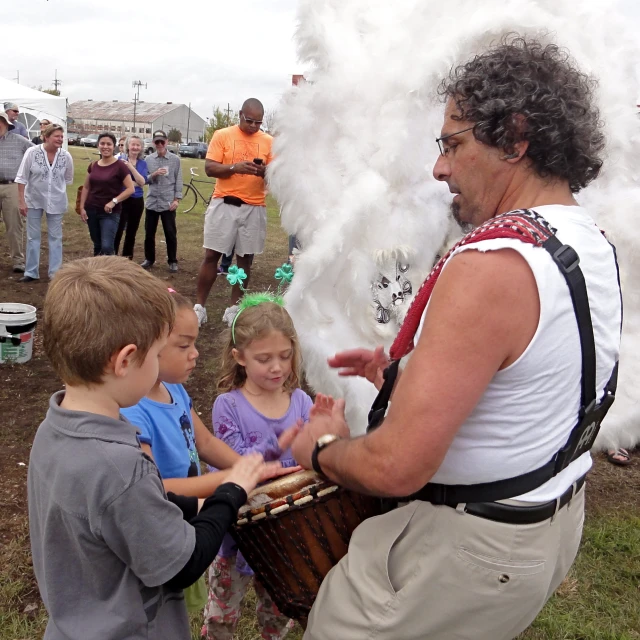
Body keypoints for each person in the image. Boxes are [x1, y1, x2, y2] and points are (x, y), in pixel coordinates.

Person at [285, 37, 622, 640]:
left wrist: (320, 449)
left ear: (516, 139)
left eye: (453, 143)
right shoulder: (586, 238)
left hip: (466, 552)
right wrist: (401, 377)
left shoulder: (493, 263)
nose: (439, 167)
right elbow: (537, 373)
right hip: (541, 529)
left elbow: (395, 468)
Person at [28, 256, 285, 640]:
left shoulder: (54, 427)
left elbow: (127, 509)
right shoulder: (118, 467)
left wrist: (200, 503)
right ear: (127, 360)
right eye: (155, 352)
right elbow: (184, 563)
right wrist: (232, 491)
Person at [202, 298, 312, 640]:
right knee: (222, 613)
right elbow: (235, 461)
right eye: (264, 359)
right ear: (239, 357)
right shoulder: (228, 405)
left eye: (284, 355)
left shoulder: (302, 402)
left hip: (285, 532)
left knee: (278, 610)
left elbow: (314, 461)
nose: (277, 367)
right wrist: (279, 444)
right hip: (236, 534)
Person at [194, 98, 273, 326]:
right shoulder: (222, 135)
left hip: (254, 206)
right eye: (250, 121)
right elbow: (209, 168)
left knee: (245, 259)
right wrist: (234, 168)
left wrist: (263, 171)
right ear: (240, 114)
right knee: (212, 255)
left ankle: (234, 307)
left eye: (258, 122)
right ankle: (199, 307)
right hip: (224, 204)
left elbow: (277, 176)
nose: (254, 126)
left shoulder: (269, 142)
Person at [15, 123, 74, 282]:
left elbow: (68, 179)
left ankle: (55, 273)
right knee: (33, 237)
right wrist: (21, 201)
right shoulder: (32, 153)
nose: (60, 139)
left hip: (56, 201)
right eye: (57, 136)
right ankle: (31, 272)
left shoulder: (66, 156)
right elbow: (21, 178)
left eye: (62, 136)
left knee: (56, 237)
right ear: (46, 137)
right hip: (33, 199)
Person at [79, 132, 135, 256]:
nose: (105, 146)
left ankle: (110, 273)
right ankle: (96, 273)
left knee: (107, 246)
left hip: (110, 213)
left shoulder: (120, 166)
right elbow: (86, 187)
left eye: (109, 144)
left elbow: (130, 189)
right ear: (98, 145)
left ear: (113, 146)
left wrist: (114, 201)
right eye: (102, 143)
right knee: (97, 245)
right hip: (92, 210)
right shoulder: (93, 165)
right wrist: (82, 207)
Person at [142, 130, 182, 273]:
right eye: (157, 142)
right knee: (149, 233)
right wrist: (154, 174)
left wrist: (177, 199)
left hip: (168, 202)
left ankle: (172, 261)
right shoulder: (148, 159)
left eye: (162, 142)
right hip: (152, 201)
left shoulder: (175, 160)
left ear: (166, 142)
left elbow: (178, 180)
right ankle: (149, 259)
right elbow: (144, 180)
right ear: (153, 142)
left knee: (170, 233)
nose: (159, 144)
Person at [0, 110, 33, 273]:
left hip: (12, 186)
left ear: (7, 124)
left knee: (14, 225)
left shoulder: (20, 141)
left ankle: (18, 260)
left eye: (0, 121)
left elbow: (36, 154)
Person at [114, 135, 149, 259]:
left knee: (131, 231)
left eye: (138, 145)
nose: (135, 147)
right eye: (133, 144)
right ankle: (112, 258)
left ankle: (127, 258)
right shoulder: (119, 161)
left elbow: (142, 182)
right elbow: (118, 181)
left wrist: (130, 167)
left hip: (137, 200)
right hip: (122, 199)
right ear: (128, 146)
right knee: (118, 230)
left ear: (141, 148)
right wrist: (135, 183)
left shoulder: (143, 163)